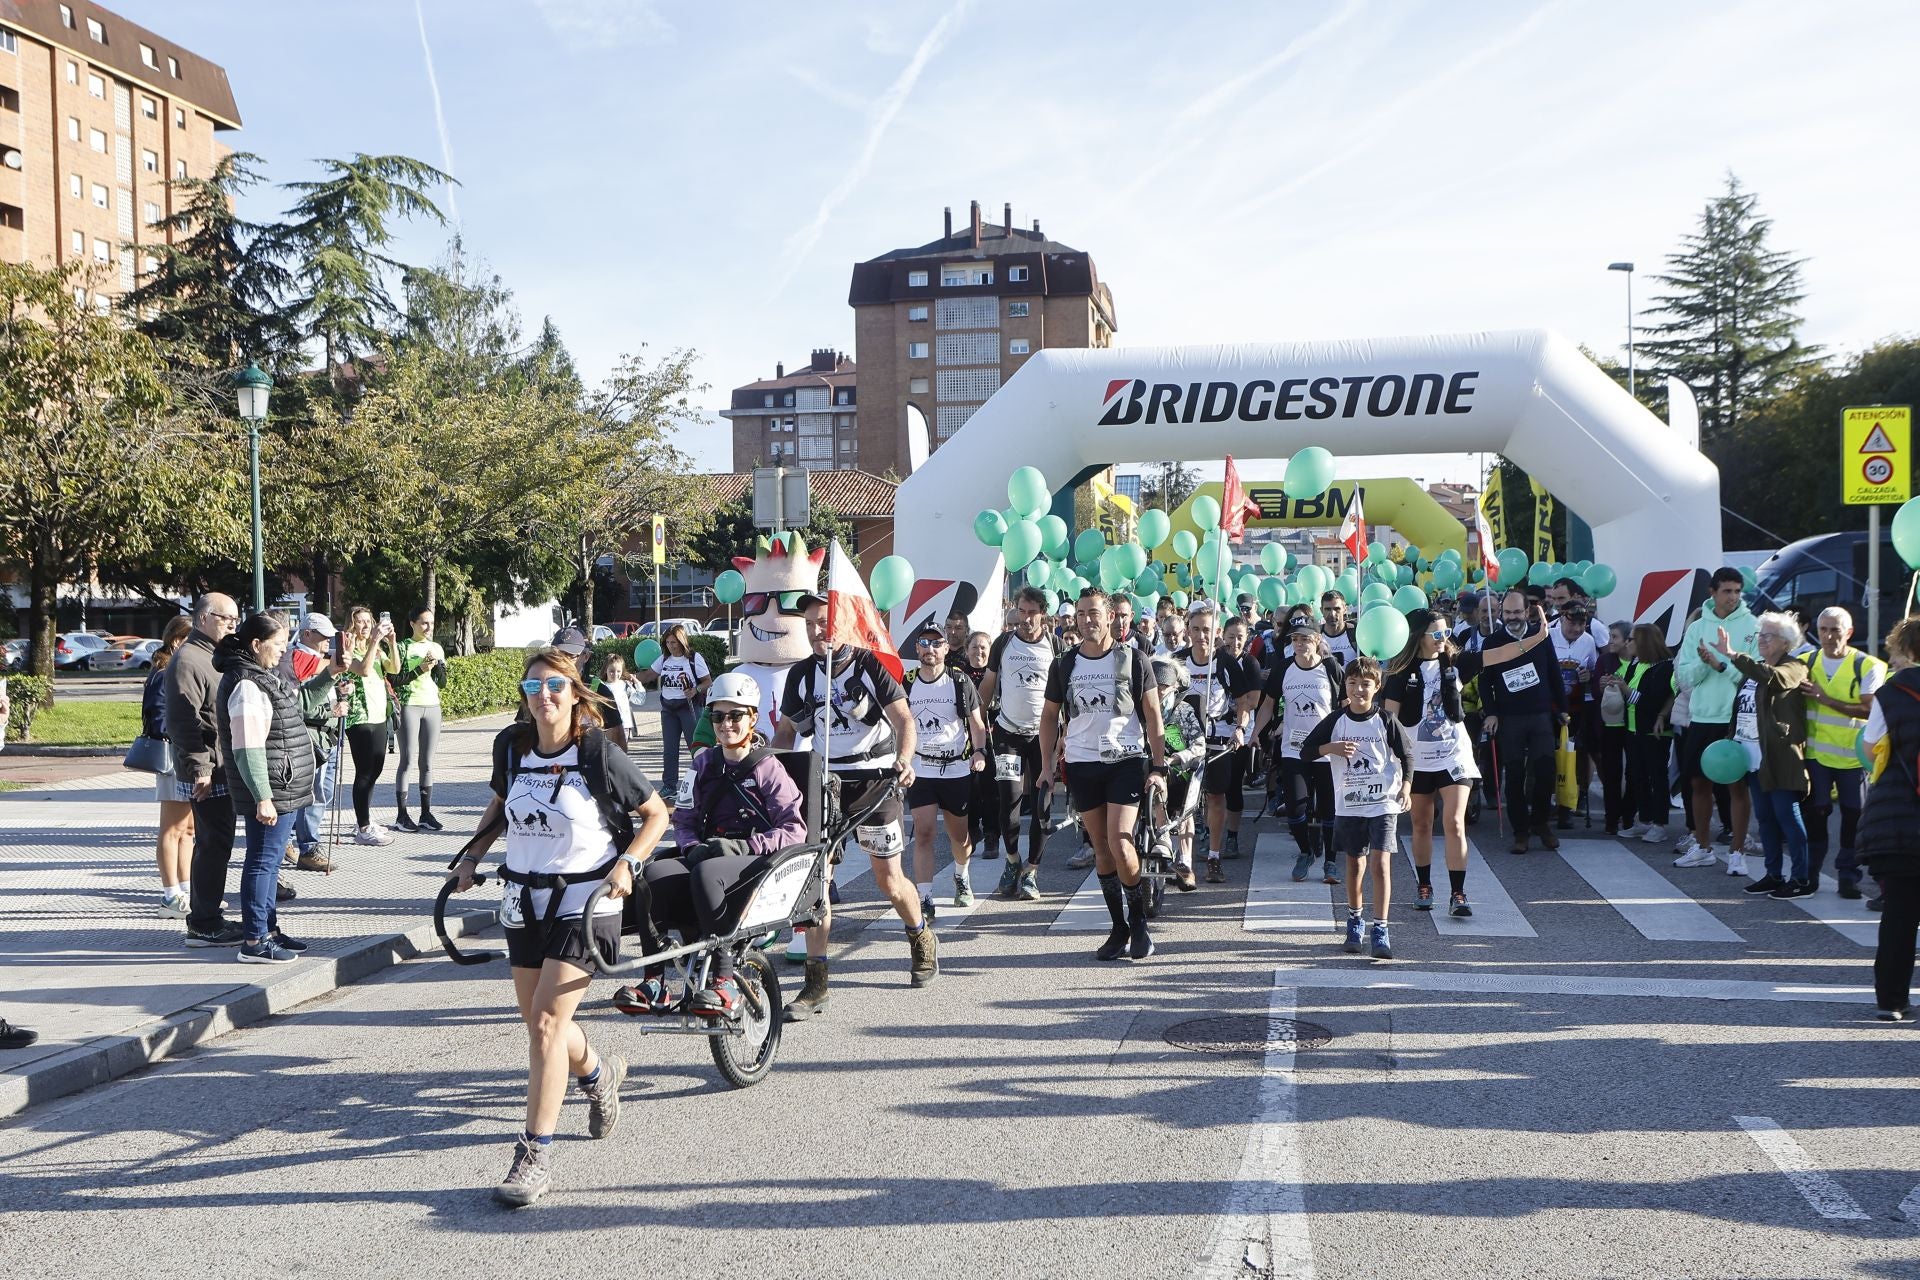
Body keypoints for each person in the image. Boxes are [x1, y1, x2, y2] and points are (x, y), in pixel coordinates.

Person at [448, 647, 671, 1206]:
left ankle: (533, 1155)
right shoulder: (512, 746)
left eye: (554, 686)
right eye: (533, 688)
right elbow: (501, 805)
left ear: (575, 693)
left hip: (589, 901)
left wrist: (630, 863)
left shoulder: (598, 752)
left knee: (547, 1023)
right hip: (523, 899)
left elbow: (657, 814)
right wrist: (472, 857)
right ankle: (598, 1078)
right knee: (541, 1023)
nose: (542, 697)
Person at [774, 596, 930, 1015]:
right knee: (816, 885)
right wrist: (770, 776)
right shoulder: (802, 675)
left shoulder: (867, 665)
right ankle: (815, 984)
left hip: (875, 781)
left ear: (841, 623)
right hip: (825, 783)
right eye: (809, 623)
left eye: (823, 621)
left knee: (888, 880)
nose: (816, 630)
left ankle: (919, 935)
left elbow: (904, 720)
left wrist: (905, 759)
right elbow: (786, 733)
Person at [619, 672, 806, 1019]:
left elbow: (795, 829)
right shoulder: (703, 764)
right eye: (717, 716)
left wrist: (746, 846)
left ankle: (724, 980)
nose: (725, 724)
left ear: (752, 717)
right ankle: (655, 981)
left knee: (706, 873)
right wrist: (691, 848)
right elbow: (685, 822)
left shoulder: (768, 767)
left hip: (755, 861)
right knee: (652, 875)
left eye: (735, 715)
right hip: (709, 856)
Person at [1385, 605, 1548, 916]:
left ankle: (1458, 893)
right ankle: (1424, 885)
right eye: (1436, 633)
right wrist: (1391, 761)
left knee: (1455, 823)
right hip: (1417, 759)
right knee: (1421, 824)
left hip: (1454, 756)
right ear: (1419, 636)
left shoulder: (1456, 662)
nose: (1442, 639)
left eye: (1446, 632)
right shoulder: (1399, 670)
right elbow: (1390, 718)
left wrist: (1538, 637)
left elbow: (1500, 655)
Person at [1037, 588, 1169, 962]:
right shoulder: (1064, 665)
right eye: (1081, 614)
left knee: (1120, 842)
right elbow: (1049, 716)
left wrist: (1158, 767)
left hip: (1126, 761)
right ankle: (1118, 927)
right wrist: (1047, 766)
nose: (1086, 620)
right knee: (1100, 848)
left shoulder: (1133, 659)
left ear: (1110, 616)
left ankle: (1139, 921)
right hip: (1081, 763)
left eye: (1093, 613)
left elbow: (1154, 717)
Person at [212, 613, 316, 964]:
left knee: (269, 864)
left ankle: (268, 930)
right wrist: (263, 797)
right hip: (272, 789)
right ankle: (255, 940)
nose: (283, 653)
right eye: (278, 646)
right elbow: (247, 747)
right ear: (256, 645)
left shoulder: (258, 677)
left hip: (280, 786)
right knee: (262, 862)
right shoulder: (246, 684)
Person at [1304, 657, 1412, 960]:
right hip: (1350, 804)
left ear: (1376, 687)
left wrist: (1406, 788)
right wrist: (1331, 748)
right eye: (1352, 683)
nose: (1358, 689)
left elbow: (1407, 755)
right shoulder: (1337, 720)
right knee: (1354, 864)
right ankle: (1354, 921)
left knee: (1381, 864)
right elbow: (1307, 751)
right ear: (1346, 686)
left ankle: (1381, 929)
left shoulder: (1386, 719)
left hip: (1383, 802)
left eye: (1365, 684)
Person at [165, 593, 245, 947]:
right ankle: (204, 923)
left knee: (216, 844)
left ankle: (207, 917)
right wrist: (201, 769)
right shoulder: (189, 659)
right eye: (225, 618)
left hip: (221, 767)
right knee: (213, 845)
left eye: (235, 619)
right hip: (208, 771)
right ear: (202, 619)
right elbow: (182, 721)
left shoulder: (213, 656)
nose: (232, 624)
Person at [1718, 613, 1814, 898]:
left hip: (1779, 756)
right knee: (1765, 818)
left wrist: (1734, 655)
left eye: (1768, 635)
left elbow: (1775, 680)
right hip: (1750, 755)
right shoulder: (1755, 667)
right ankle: (1773, 874)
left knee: (1787, 816)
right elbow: (1741, 708)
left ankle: (1801, 878)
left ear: (1785, 642)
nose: (1761, 639)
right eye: (1760, 635)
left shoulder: (1794, 666)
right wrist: (1731, 738)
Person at [976, 587, 1062, 903]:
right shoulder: (1004, 643)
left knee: (1041, 808)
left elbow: (1065, 695)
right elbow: (987, 684)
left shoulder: (1057, 646)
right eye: (1021, 612)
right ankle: (1012, 862)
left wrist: (1062, 738)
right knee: (1008, 805)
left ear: (1043, 613)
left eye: (1031, 612)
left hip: (1043, 738)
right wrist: (979, 722)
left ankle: (1032, 872)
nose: (1025, 619)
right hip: (1008, 734)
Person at [1675, 569, 1759, 872]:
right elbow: (1683, 676)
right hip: (1702, 716)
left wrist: (1723, 665)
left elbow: (1757, 676)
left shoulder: (1753, 626)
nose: (1733, 597)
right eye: (1727, 591)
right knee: (1698, 782)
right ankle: (1703, 846)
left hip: (1737, 719)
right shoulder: (1697, 628)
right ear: (1712, 592)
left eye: (1737, 591)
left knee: (1737, 786)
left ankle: (1737, 852)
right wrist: (1704, 664)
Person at [1800, 607, 1886, 900]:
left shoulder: (1868, 665)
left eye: (1835, 629)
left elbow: (1869, 708)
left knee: (1853, 818)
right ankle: (1810, 873)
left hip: (1852, 757)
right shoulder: (1805, 661)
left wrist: (1825, 699)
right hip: (1815, 755)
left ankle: (1848, 876)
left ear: (1848, 632)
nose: (1828, 636)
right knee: (1815, 814)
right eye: (1823, 629)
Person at [904, 626, 989, 914]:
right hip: (921, 769)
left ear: (945, 648)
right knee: (924, 834)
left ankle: (961, 876)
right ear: (917, 648)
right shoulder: (907, 683)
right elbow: (897, 724)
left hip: (955, 769)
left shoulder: (959, 681)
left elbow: (977, 724)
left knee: (960, 838)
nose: (930, 648)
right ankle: (925, 897)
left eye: (936, 643)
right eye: (924, 643)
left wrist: (979, 752)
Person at [1254, 611, 1344, 886]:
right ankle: (1305, 852)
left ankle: (1330, 859)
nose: (1300, 644)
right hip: (1294, 748)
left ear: (1317, 640)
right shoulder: (1283, 668)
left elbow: (1342, 708)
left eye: (1305, 639)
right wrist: (1256, 733)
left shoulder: (1330, 667)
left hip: (1327, 751)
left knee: (1329, 809)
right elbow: (1268, 703)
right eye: (1295, 639)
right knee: (1295, 808)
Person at [1859, 619, 1920, 1020]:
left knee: (1900, 912)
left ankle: (1892, 1000)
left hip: (1901, 817)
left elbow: (1869, 746)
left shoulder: (1890, 693)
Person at [1480, 589, 1568, 854]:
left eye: (1517, 612)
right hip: (1510, 718)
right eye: (1507, 613)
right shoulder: (1493, 641)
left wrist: (1562, 708)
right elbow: (1485, 682)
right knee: (1515, 776)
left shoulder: (1540, 636)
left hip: (1540, 714)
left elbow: (1554, 672)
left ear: (1527, 612)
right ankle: (1520, 832)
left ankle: (1540, 823)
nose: (1512, 617)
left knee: (1544, 773)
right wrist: (1492, 712)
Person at [1180, 602, 1259, 881]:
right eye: (1196, 629)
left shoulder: (1225, 662)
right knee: (1185, 802)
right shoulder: (1179, 660)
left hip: (1219, 738)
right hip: (1185, 739)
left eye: (1207, 630)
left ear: (1216, 633)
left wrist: (1240, 728)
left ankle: (1214, 857)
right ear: (1187, 630)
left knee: (1215, 797)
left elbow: (1243, 703)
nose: (1201, 636)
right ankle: (1185, 863)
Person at [288, 615, 350, 873]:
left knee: (321, 793)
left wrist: (343, 693)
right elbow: (298, 703)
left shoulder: (319, 660)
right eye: (321, 635)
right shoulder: (297, 660)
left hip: (329, 736)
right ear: (305, 634)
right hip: (312, 737)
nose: (327, 641)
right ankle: (307, 847)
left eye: (329, 635)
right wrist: (331, 712)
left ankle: (298, 843)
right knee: (313, 795)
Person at [146, 616, 196, 918]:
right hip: (173, 757)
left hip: (187, 755)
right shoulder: (164, 671)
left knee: (189, 829)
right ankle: (169, 895)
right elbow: (159, 719)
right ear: (177, 641)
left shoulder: (178, 669)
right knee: (172, 828)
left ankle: (187, 890)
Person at [341, 606, 401, 847]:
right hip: (359, 717)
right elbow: (363, 670)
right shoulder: (349, 648)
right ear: (352, 625)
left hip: (378, 715)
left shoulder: (374, 648)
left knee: (375, 770)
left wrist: (392, 642)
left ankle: (363, 819)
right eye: (360, 622)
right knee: (364, 772)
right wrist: (375, 641)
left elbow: (395, 669)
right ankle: (363, 827)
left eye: (368, 621)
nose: (365, 626)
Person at [1149, 654, 1206, 891]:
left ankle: (1184, 863)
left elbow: (1200, 744)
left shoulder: (1182, 710)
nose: (1160, 691)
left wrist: (1175, 758)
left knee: (1185, 811)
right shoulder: (1140, 709)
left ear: (1174, 686)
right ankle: (1157, 842)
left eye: (1164, 686)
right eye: (1155, 686)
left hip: (1179, 770)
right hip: (1148, 768)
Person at [1617, 625, 1677, 847]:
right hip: (1633, 729)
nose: (1627, 643)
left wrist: (1624, 689)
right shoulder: (1636, 663)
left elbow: (1651, 702)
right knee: (1636, 776)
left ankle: (1659, 824)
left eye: (1632, 639)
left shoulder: (1663, 667)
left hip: (1655, 732)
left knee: (1656, 778)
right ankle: (1644, 820)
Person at [391, 606, 446, 833]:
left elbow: (442, 683)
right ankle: (402, 815)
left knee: (427, 762)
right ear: (412, 623)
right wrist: (420, 668)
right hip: (409, 705)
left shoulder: (437, 648)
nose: (428, 627)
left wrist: (435, 668)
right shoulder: (403, 647)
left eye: (431, 623)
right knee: (407, 760)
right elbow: (395, 679)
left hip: (432, 705)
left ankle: (425, 812)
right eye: (424, 623)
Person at [646, 624, 711, 807]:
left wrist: (695, 689)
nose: (671, 646)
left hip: (689, 707)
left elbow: (708, 681)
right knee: (670, 750)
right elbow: (650, 674)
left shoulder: (693, 658)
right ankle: (669, 786)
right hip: (669, 709)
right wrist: (629, 677)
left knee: (696, 747)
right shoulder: (664, 659)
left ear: (682, 641)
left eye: (674, 642)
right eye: (667, 642)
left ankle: (703, 781)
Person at [1549, 598, 1601, 827]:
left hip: (1576, 708)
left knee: (1572, 755)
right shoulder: (1547, 636)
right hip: (1550, 707)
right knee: (1549, 755)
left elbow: (1593, 670)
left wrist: (1588, 677)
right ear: (1561, 618)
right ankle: (1548, 800)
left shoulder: (1588, 641)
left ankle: (1568, 805)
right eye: (1572, 624)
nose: (1577, 629)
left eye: (1582, 624)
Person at [956, 631, 1000, 862]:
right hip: (964, 739)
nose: (979, 652)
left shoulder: (996, 676)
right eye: (975, 647)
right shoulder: (958, 677)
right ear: (966, 650)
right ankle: (973, 830)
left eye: (984, 647)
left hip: (992, 738)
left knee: (989, 789)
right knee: (967, 788)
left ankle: (992, 833)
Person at [1594, 620, 1635, 834]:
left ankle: (1627, 816)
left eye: (1615, 637)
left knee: (1634, 772)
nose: (1610, 641)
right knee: (1611, 773)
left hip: (1633, 725)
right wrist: (1600, 686)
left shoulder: (1639, 662)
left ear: (1628, 640)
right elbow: (1594, 692)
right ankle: (1611, 819)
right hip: (1610, 724)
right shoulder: (1605, 660)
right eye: (1610, 636)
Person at [590, 652, 642, 752]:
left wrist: (637, 683)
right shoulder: (601, 687)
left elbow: (640, 700)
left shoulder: (625, 685)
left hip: (624, 725)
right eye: (612, 671)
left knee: (622, 753)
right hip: (607, 726)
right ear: (606, 670)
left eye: (618, 671)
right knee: (608, 753)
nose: (615, 674)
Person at [1318, 591, 1359, 664]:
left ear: (1345, 609)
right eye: (1327, 609)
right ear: (1321, 610)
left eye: (1337, 609)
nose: (1332, 614)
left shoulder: (1356, 633)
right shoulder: (1315, 636)